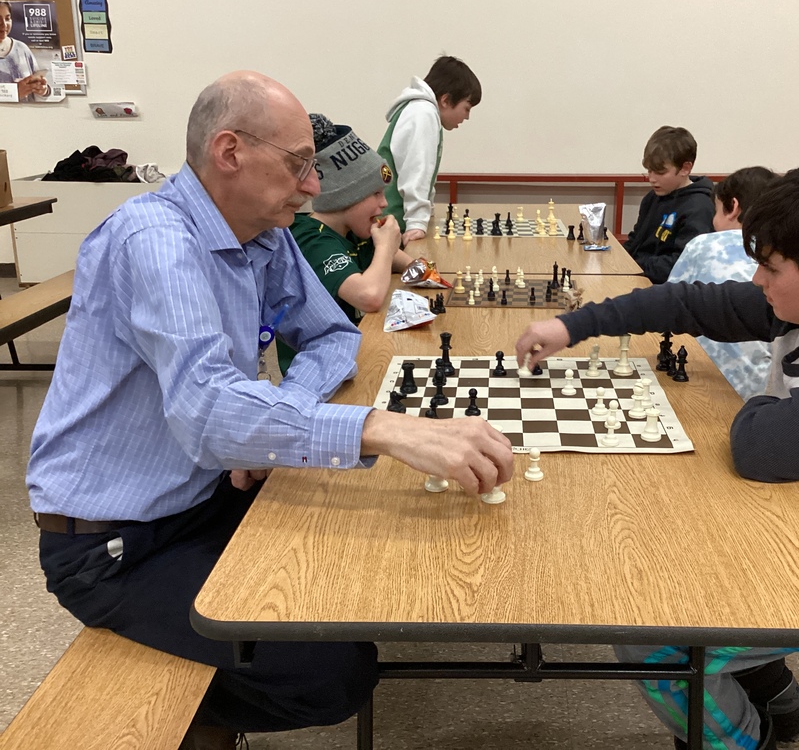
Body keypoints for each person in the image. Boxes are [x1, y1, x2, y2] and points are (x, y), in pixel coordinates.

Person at [26, 70, 513, 750]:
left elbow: (334, 335)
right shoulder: (157, 242)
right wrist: (385, 427)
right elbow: (207, 413)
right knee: (333, 672)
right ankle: (185, 716)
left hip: (205, 493)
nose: (315, 187)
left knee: (356, 569)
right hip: (114, 544)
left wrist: (273, 415)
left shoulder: (265, 231)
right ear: (230, 152)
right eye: (300, 166)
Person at [515, 151, 799, 750]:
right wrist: (573, 327)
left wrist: (759, 403)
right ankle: (780, 700)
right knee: (661, 548)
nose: (756, 282)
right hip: (798, 527)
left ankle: (744, 742)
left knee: (650, 637)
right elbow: (684, 302)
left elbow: (759, 449)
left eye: (769, 269)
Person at [277, 113, 415, 374]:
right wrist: (386, 247)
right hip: (317, 374)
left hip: (355, 355)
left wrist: (400, 255)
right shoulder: (310, 237)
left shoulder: (355, 231)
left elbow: (409, 266)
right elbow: (369, 297)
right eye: (375, 194)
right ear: (345, 197)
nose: (384, 204)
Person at [666, 166, 779, 399]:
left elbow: (668, 305)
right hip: (761, 391)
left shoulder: (702, 245)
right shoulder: (781, 255)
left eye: (715, 210)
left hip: (700, 380)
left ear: (733, 208)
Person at [377, 55, 481, 244]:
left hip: (390, 221)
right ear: (446, 100)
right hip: (390, 223)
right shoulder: (423, 114)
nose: (467, 117)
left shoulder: (421, 111)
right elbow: (415, 172)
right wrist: (417, 223)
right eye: (467, 108)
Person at [623, 126, 715, 284]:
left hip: (666, 289)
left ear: (685, 168)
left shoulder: (699, 208)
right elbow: (635, 241)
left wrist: (634, 266)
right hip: (639, 276)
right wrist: (618, 259)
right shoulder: (652, 198)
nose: (652, 179)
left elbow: (681, 264)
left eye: (660, 172)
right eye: (649, 171)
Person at [0, 1, 50, 101]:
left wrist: (43, 90)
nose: (4, 24)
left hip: (28, 115)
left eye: (7, 18)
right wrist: (14, 93)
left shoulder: (22, 48)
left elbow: (37, 88)